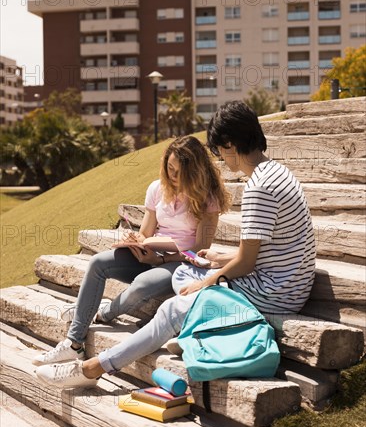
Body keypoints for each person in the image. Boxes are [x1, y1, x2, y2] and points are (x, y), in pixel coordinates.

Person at [35, 101, 316, 388]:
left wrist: (205, 284)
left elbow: (246, 263)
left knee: (173, 307)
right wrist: (220, 258)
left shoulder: (259, 188)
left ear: (229, 143)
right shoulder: (278, 173)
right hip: (287, 285)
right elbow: (263, 252)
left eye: (218, 150)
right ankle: (188, 331)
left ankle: (91, 369)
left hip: (273, 294)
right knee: (184, 275)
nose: (220, 157)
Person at [33, 135, 230, 367]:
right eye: (169, 169)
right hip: (152, 253)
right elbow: (146, 232)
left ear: (195, 172)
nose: (172, 176)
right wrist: (136, 240)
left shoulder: (208, 197)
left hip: (181, 263)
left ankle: (104, 314)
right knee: (98, 263)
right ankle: (73, 344)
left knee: (142, 284)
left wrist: (161, 259)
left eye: (179, 172)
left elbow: (200, 249)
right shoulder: (157, 189)